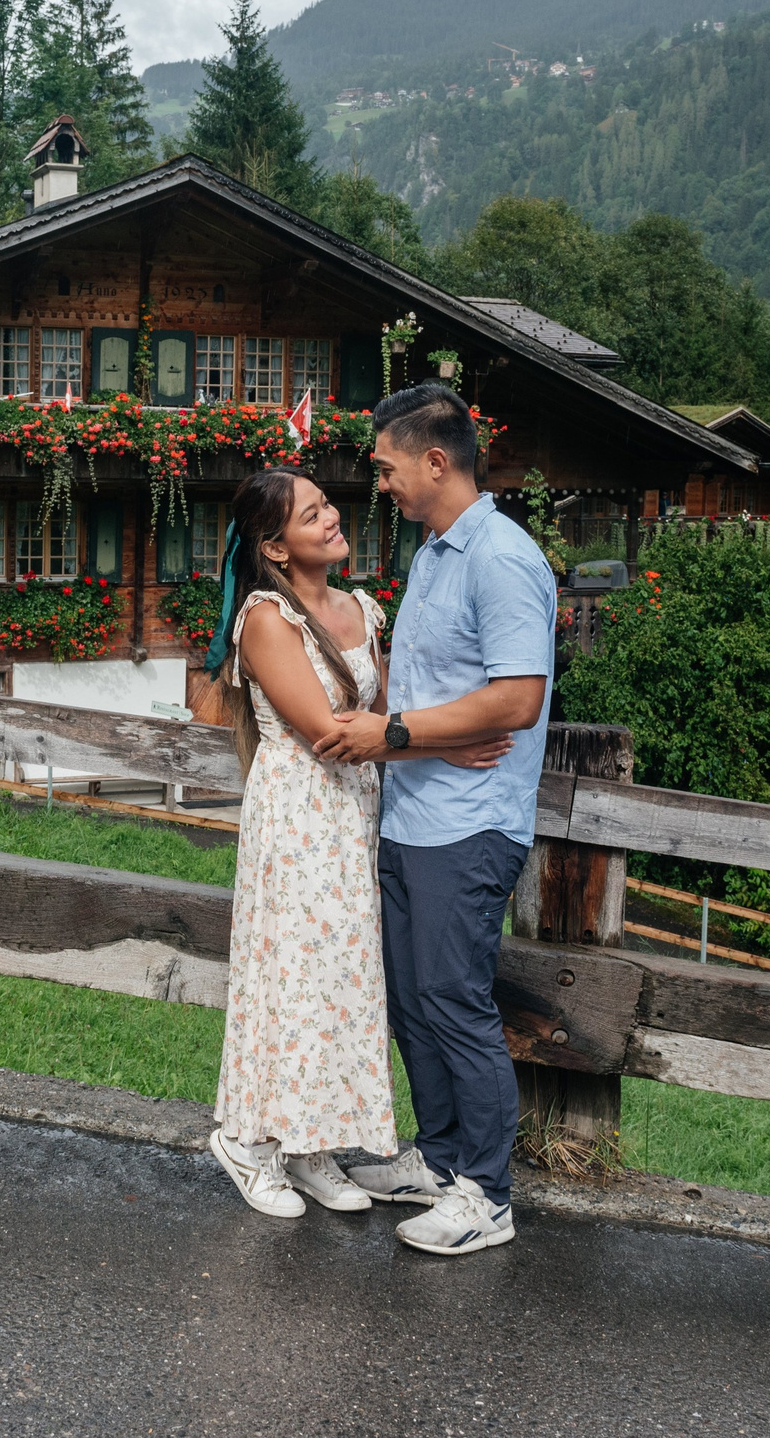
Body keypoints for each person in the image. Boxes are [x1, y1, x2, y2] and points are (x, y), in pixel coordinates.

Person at [205, 466, 510, 1220]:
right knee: (292, 978)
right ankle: (247, 1139)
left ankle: (311, 1144)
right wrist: (445, 744)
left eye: (327, 504)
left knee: (342, 981)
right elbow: (329, 735)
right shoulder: (266, 618)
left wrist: (427, 734)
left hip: (353, 819)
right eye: (313, 515)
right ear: (276, 546)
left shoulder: (361, 608)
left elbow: (388, 712)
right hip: (299, 819)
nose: (334, 517)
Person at [315, 381, 555, 1256]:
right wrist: (410, 742)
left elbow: (518, 698)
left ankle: (488, 1195)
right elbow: (432, 695)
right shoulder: (434, 554)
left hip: (472, 821)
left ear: (435, 460)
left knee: (454, 1000)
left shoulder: (502, 557)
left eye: (385, 468)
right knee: (413, 1000)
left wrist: (398, 735)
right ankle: (441, 1156)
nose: (380, 484)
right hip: (413, 814)